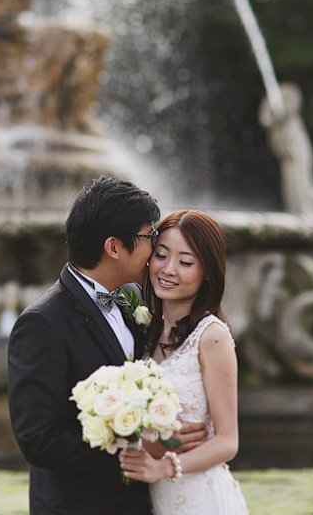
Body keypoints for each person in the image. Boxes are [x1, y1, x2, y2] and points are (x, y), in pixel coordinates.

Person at [8, 175, 167, 514]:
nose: (156, 246)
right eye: (148, 236)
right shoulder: (42, 322)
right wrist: (127, 460)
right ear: (113, 247)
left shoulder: (131, 299)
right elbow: (38, 438)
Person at [119, 209, 248, 514]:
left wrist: (164, 467)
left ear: (208, 273)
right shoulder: (145, 332)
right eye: (161, 255)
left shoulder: (212, 336)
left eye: (186, 262)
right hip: (157, 498)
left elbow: (228, 442)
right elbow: (155, 435)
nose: (169, 269)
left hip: (202, 499)